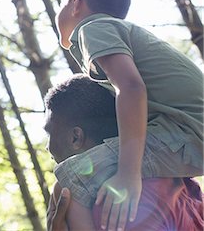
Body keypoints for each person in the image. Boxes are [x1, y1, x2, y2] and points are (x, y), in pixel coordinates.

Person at [54, 0, 203, 230]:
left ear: (75, 2)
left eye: (64, 2)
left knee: (72, 179)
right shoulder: (117, 30)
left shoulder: (92, 28)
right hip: (186, 132)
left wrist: (128, 173)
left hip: (187, 133)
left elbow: (132, 89)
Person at [44, 74, 204, 230]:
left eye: (49, 134)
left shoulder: (112, 208)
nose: (46, 147)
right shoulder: (181, 182)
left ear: (75, 137)